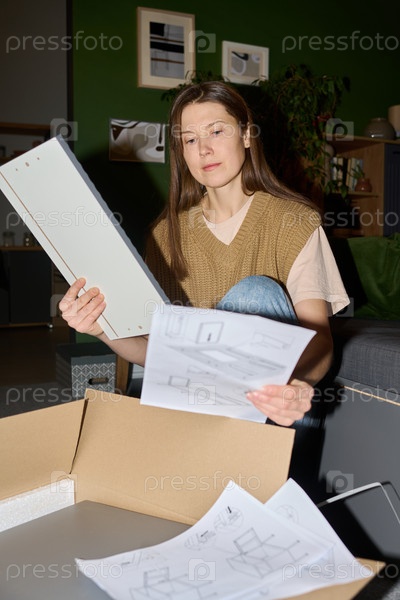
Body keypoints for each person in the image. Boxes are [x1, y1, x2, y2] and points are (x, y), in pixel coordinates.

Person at [60, 81, 349, 427]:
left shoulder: (294, 222)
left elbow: (320, 340)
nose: (204, 150)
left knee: (256, 293)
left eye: (216, 131)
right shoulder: (164, 236)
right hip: (199, 409)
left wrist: (298, 385)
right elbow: (157, 353)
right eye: (190, 140)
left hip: (279, 410)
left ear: (246, 135)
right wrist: (101, 329)